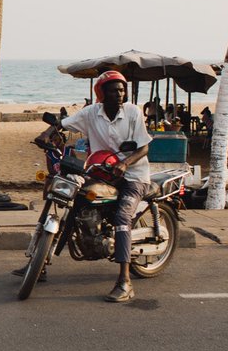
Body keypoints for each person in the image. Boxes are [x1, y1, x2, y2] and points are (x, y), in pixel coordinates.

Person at [21, 70, 152, 304]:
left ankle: (125, 282)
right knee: (70, 200)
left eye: (122, 90)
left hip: (133, 175)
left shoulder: (133, 112)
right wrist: (46, 134)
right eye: (114, 90)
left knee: (122, 217)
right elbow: (62, 124)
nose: (120, 94)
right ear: (102, 93)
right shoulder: (91, 112)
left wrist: (125, 163)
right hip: (101, 172)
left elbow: (144, 147)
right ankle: (39, 262)